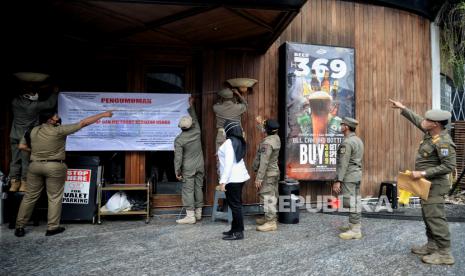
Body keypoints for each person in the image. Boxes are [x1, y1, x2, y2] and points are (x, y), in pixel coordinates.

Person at [14, 110, 113, 237]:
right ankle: (52, 227)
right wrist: (103, 115)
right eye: (56, 116)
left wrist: (36, 152)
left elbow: (21, 146)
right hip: (54, 166)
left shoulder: (31, 130)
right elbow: (83, 123)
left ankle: (20, 227)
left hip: (34, 165)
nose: (58, 118)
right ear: (50, 120)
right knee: (54, 197)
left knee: (29, 197)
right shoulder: (58, 130)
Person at [390, 99, 456, 265]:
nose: (423, 121)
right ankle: (432, 246)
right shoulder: (431, 133)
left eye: (427, 120)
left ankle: (445, 254)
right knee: (428, 216)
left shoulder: (443, 142)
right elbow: (417, 120)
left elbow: (449, 166)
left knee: (435, 218)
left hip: (435, 186)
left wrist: (423, 172)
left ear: (434, 124)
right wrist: (403, 108)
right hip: (426, 185)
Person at [9, 77, 58, 192]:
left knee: (15, 160)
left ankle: (14, 183)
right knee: (26, 161)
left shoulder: (15, 102)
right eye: (33, 92)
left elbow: (21, 94)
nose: (36, 94)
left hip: (14, 136)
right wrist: (55, 92)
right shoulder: (34, 106)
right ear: (30, 96)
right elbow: (50, 104)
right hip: (25, 139)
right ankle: (24, 184)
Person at [174, 97, 204, 224]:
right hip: (200, 165)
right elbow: (195, 118)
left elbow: (178, 157)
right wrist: (191, 105)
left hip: (188, 167)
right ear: (191, 124)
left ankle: (190, 216)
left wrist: (177, 171)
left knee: (188, 190)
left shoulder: (179, 139)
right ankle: (198, 213)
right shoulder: (197, 130)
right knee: (198, 188)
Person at [218, 120, 250, 240]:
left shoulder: (229, 142)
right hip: (239, 177)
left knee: (235, 206)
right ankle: (234, 229)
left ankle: (238, 232)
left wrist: (223, 181)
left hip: (233, 178)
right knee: (236, 205)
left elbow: (228, 163)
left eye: (224, 130)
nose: (223, 132)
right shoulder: (239, 141)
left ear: (229, 130)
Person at [332, 117, 364, 240]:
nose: (340, 126)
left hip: (349, 176)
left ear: (346, 127)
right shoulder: (358, 140)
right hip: (356, 175)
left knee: (351, 202)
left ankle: (355, 230)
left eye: (342, 125)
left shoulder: (347, 142)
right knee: (355, 201)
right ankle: (353, 225)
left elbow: (343, 163)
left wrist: (338, 181)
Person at [253, 118, 281, 232]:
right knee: (272, 194)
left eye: (264, 128)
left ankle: (271, 222)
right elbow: (266, 131)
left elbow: (264, 161)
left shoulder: (267, 143)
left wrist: (259, 178)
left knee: (267, 196)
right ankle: (269, 217)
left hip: (267, 174)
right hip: (274, 172)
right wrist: (260, 124)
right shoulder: (276, 138)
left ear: (267, 130)